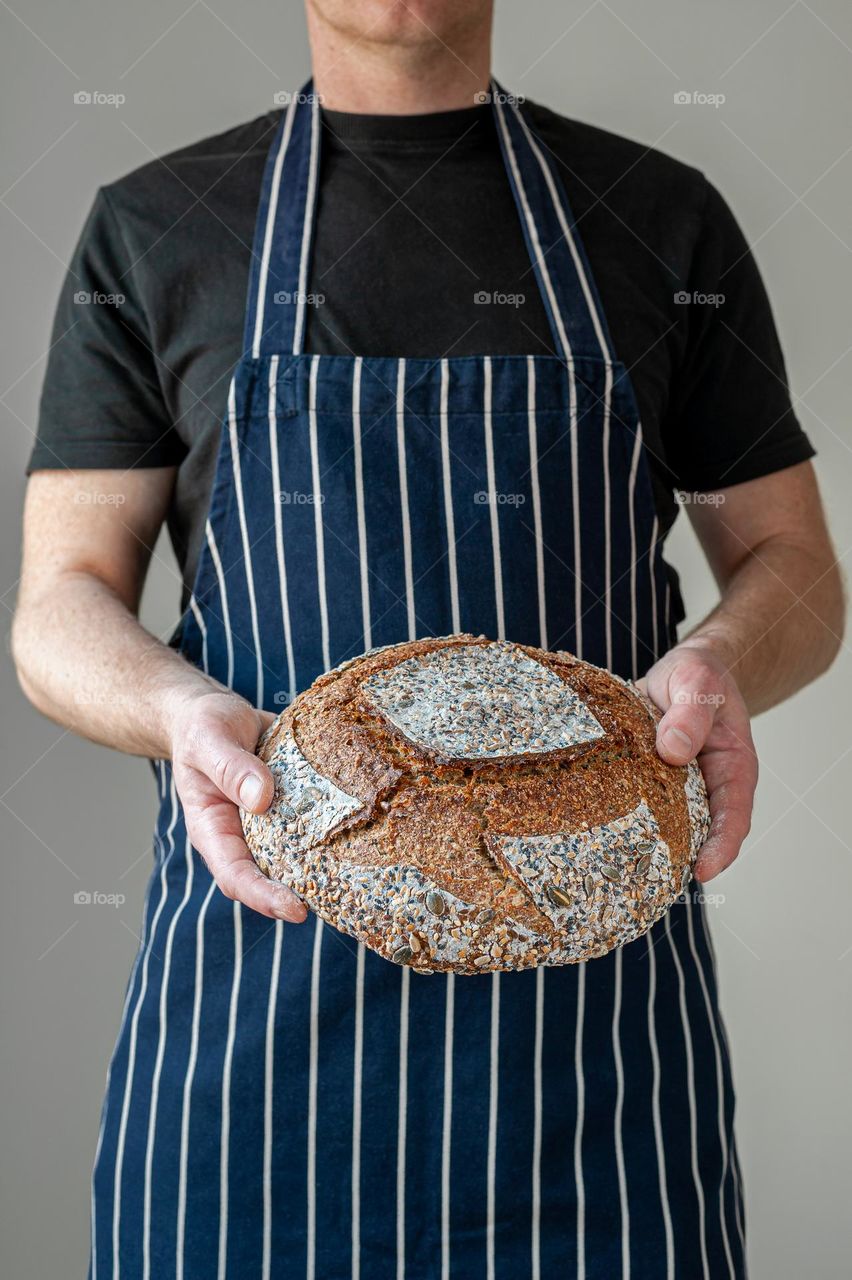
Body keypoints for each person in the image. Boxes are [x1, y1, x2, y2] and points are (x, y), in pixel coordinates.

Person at [13, 1, 843, 1276]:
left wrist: (720, 663)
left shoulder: (658, 215)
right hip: (250, 1049)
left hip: (594, 1072)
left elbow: (795, 570)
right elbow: (59, 603)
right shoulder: (157, 227)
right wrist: (180, 711)